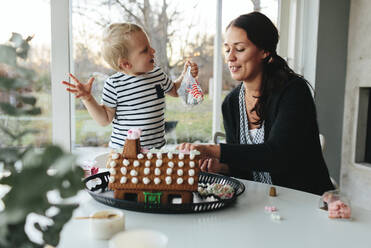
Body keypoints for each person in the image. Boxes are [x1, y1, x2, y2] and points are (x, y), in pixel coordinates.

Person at [179, 12, 334, 195]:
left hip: (306, 201)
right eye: (228, 49)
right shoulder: (231, 103)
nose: (230, 58)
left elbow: (278, 155)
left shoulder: (293, 92)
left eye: (240, 49)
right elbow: (245, 169)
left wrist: (214, 150)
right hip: (262, 202)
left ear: (264, 51)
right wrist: (222, 167)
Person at [62, 23, 198, 149]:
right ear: (126, 64)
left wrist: (186, 76)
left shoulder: (157, 74)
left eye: (149, 46)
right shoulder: (114, 85)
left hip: (156, 151)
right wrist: (88, 99)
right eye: (145, 50)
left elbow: (174, 90)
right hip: (124, 153)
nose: (153, 50)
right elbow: (105, 120)